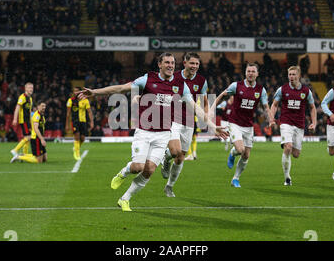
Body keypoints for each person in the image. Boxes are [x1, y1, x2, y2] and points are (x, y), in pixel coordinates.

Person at [77, 52, 227, 212]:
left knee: (149, 170)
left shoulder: (180, 85)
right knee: (137, 167)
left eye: (172, 63)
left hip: (163, 134)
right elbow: (121, 88)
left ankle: (124, 199)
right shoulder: (147, 79)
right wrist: (95, 92)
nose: (170, 65)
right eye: (167, 62)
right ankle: (123, 172)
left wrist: (212, 125)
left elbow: (195, 107)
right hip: (144, 131)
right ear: (159, 64)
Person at [212, 63, 274, 188]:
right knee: (241, 150)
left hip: (248, 126)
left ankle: (235, 178)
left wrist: (271, 119)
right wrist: (212, 108)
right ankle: (233, 152)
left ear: (257, 74)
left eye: (253, 71)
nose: (250, 73)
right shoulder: (236, 86)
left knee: (246, 155)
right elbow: (222, 95)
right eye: (248, 71)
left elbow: (266, 107)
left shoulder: (261, 90)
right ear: (245, 73)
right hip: (234, 123)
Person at [160, 52, 208, 197]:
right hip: (172, 118)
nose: (194, 66)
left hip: (189, 121)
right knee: (175, 151)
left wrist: (205, 117)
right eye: (192, 63)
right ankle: (166, 159)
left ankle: (169, 186)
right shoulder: (173, 76)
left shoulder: (201, 81)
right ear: (185, 63)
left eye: (197, 64)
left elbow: (205, 102)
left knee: (180, 157)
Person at [270, 66, 317, 186]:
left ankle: (287, 154)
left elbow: (312, 107)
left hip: (300, 125)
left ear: (299, 76)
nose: (291, 77)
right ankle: (287, 178)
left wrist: (314, 122)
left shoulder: (306, 91)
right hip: (286, 122)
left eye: (294, 74)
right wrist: (271, 118)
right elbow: (274, 105)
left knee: (295, 154)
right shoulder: (282, 89)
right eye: (290, 74)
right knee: (288, 146)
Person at [66, 86, 94, 160]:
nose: (75, 93)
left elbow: (89, 112)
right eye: (74, 91)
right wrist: (67, 125)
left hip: (83, 121)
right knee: (77, 136)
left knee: (82, 138)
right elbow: (68, 114)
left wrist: (91, 122)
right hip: (75, 121)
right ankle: (77, 153)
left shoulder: (85, 100)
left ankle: (76, 148)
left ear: (80, 92)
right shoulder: (70, 101)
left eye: (77, 91)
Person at [10, 82, 33, 161]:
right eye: (29, 88)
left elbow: (29, 111)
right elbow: (17, 108)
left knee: (27, 138)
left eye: (32, 88)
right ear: (25, 89)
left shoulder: (30, 99)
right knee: (28, 137)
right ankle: (15, 150)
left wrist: (31, 121)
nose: (31, 89)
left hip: (28, 121)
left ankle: (24, 155)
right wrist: (15, 119)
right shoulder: (22, 97)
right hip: (23, 120)